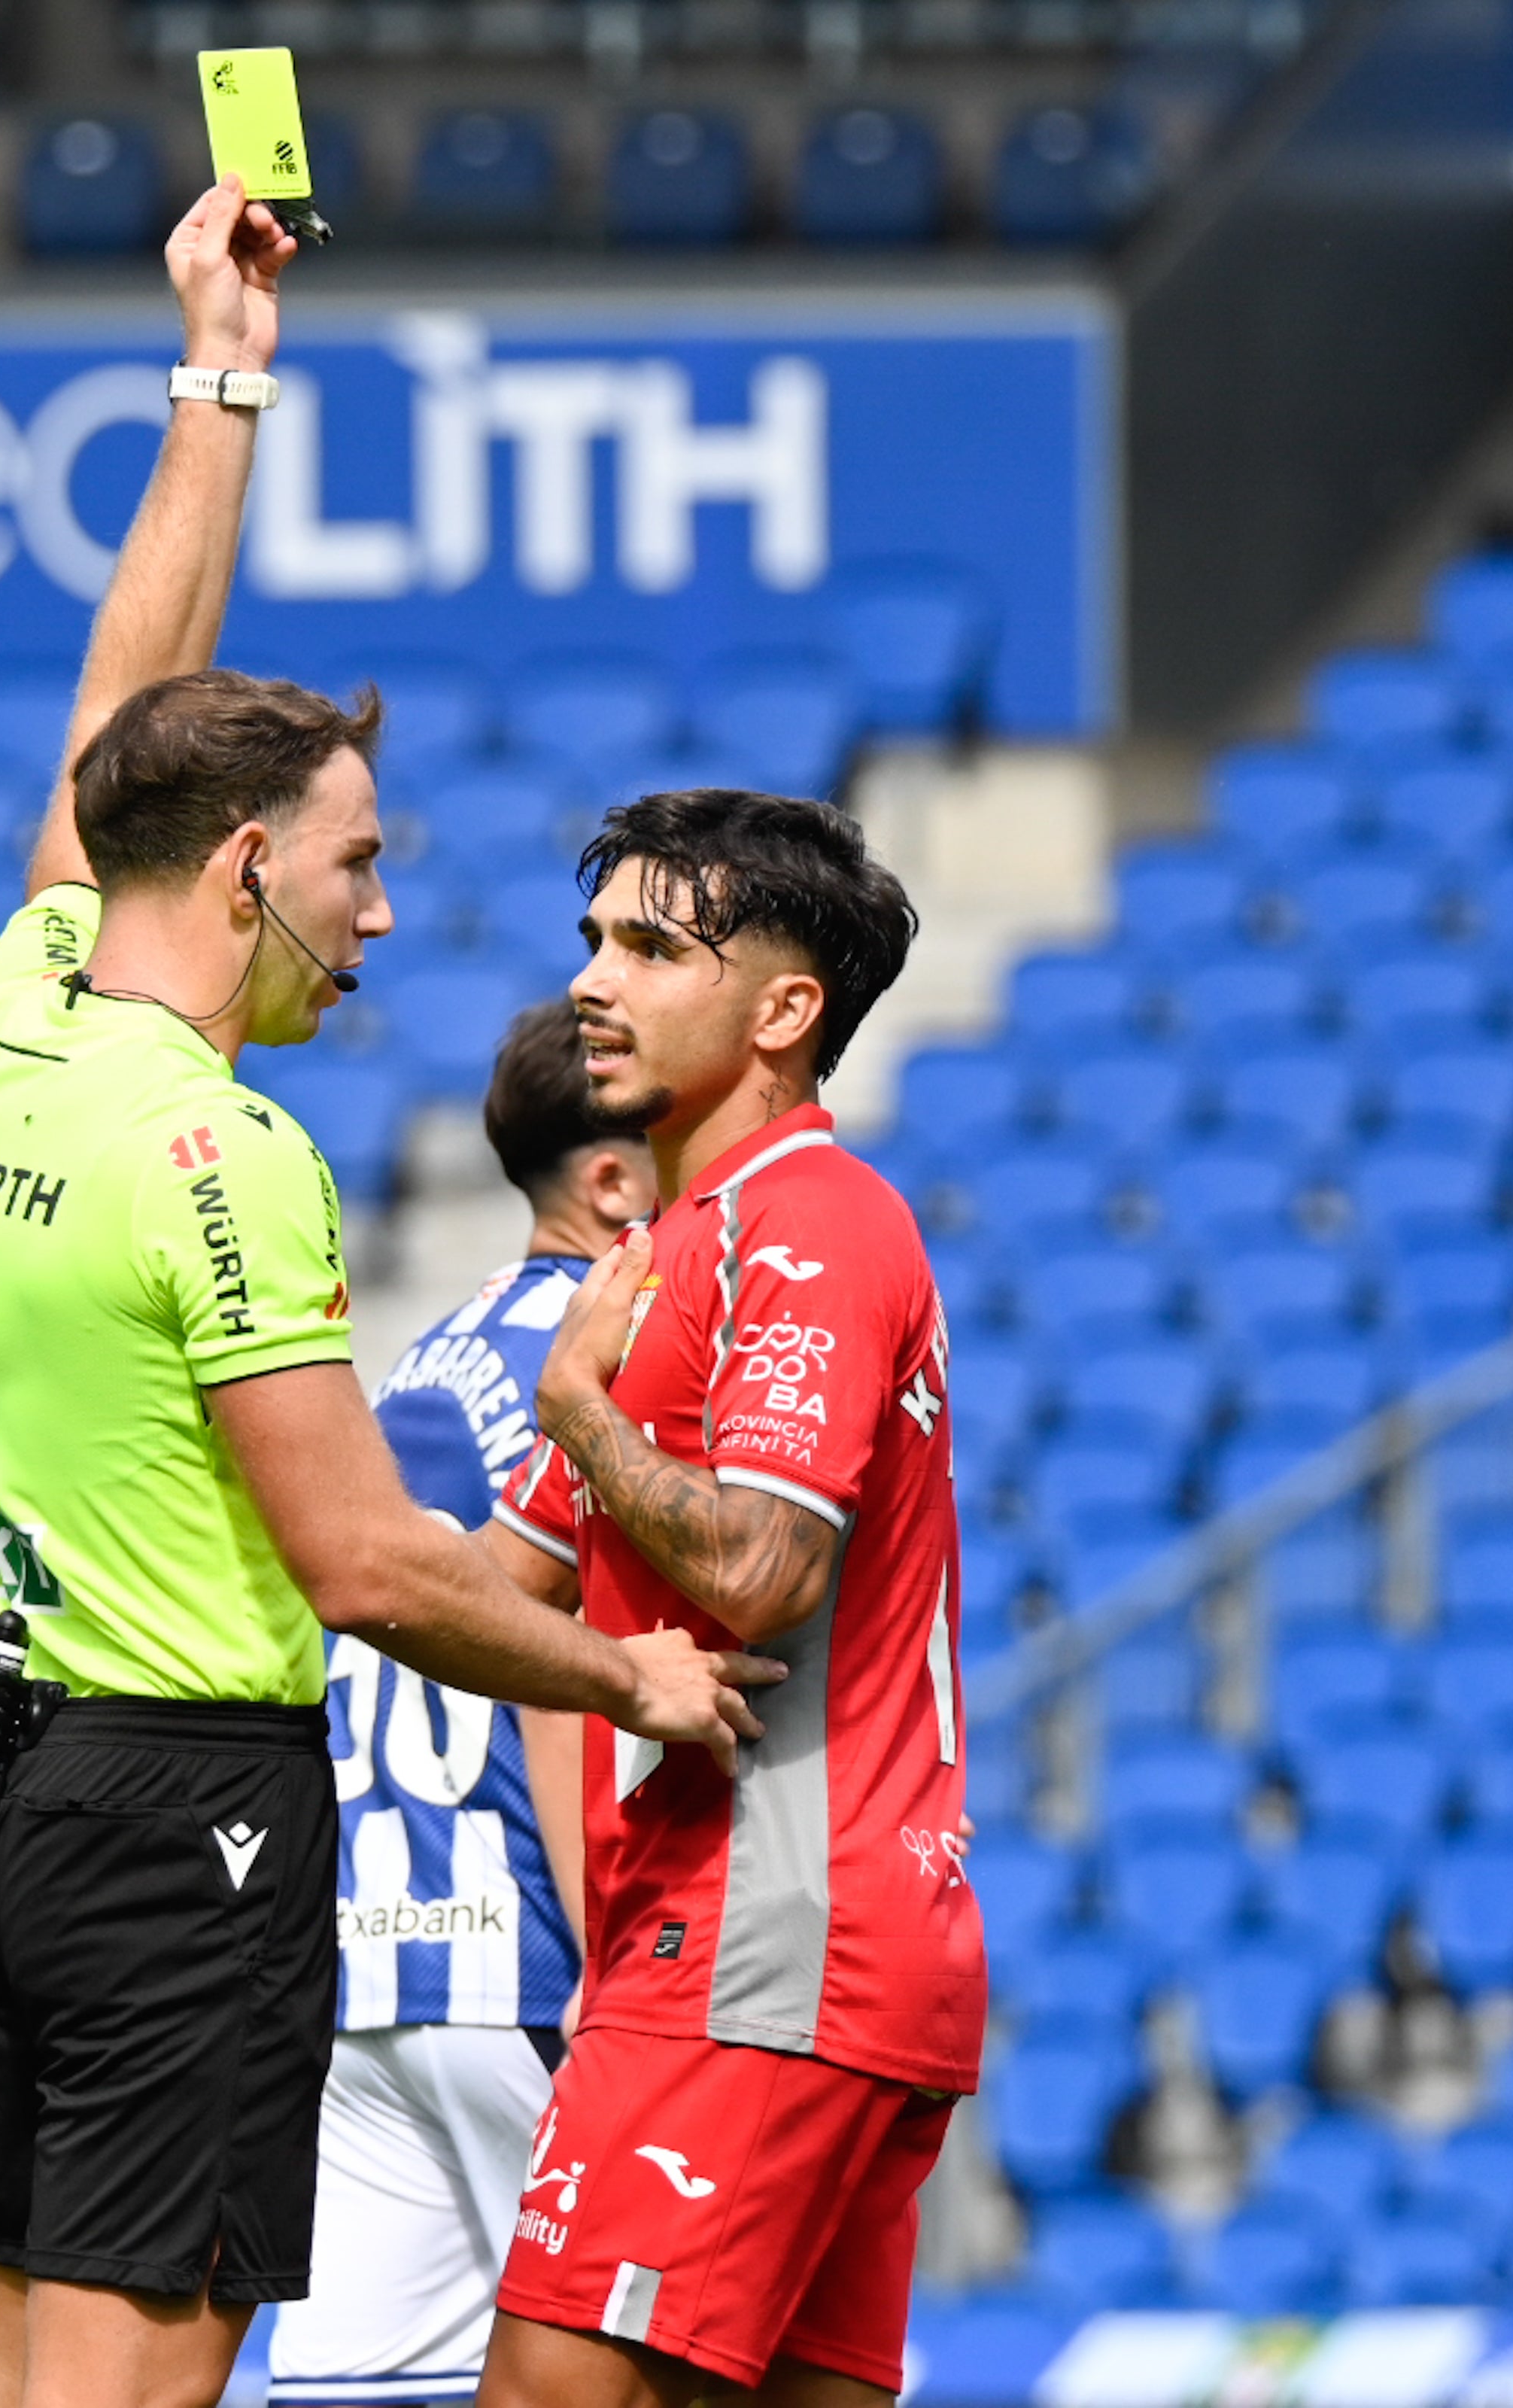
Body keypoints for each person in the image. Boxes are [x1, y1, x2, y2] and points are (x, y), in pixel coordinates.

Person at [0, 177, 774, 2408]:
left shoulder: (6, 1029)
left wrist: (220, 376)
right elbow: (369, 1564)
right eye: (359, 865)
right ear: (243, 870)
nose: (384, 918)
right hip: (181, 1809)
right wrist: (635, 1675)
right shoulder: (224, 1150)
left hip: (10, 1781)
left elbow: (120, 718)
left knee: (21, 2370)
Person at [476, 789, 989, 2408]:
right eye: (591, 941)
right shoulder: (679, 1251)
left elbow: (764, 1570)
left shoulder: (814, 1224)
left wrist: (580, 1414)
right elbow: (498, 1596)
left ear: (783, 1010)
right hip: (752, 1937)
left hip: (769, 1934)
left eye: (647, 946)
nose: (592, 981)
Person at [267, 1002, 658, 2408]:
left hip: (374, 1963)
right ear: (612, 1183)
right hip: (530, 1961)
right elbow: (558, 1668)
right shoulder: (609, 1361)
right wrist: (618, 1963)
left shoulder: (423, 1361)